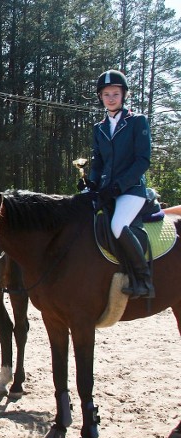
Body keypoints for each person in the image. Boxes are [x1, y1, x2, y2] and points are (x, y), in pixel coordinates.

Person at [82, 69, 154, 299]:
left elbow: (143, 160)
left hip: (131, 189)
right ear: (100, 97)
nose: (111, 98)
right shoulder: (99, 127)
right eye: (106, 94)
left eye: (115, 93)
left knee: (117, 225)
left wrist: (119, 186)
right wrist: (91, 182)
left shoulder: (137, 122)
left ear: (123, 96)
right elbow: (98, 161)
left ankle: (142, 279)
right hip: (106, 189)